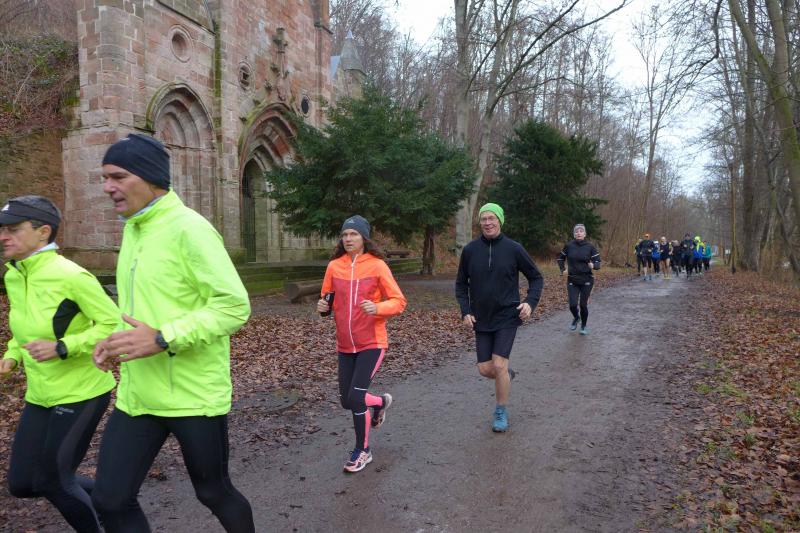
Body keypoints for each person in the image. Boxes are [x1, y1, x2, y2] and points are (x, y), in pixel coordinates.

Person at [91, 134, 255, 532]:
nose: (108, 187)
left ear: (150, 177)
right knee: (110, 498)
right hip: (139, 396)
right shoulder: (134, 230)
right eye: (105, 178)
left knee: (213, 492)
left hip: (192, 395)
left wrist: (163, 337)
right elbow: (144, 306)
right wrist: (114, 341)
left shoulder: (190, 229)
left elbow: (233, 306)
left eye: (118, 177)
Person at [1, 195, 118, 533]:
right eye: (2, 229)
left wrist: (63, 347)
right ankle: (112, 497)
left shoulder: (72, 275)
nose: (3, 236)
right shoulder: (14, 275)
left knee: (53, 480)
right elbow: (25, 327)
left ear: (43, 232)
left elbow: (112, 324)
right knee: (23, 483)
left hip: (82, 392)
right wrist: (12, 354)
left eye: (13, 229)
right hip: (41, 394)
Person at [317, 215, 406, 473]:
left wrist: (377, 308)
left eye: (353, 234)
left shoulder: (377, 266)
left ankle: (363, 451)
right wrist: (322, 307)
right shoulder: (334, 267)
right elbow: (327, 300)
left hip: (372, 342)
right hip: (345, 344)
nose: (348, 239)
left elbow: (398, 301)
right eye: (345, 234)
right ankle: (379, 403)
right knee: (347, 401)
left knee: (356, 398)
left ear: (364, 238)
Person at [455, 203, 543, 433]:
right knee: (486, 370)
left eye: (492, 218)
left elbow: (536, 278)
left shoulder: (514, 249)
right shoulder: (470, 250)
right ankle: (506, 375)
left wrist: (530, 303)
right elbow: (461, 284)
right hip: (481, 318)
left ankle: (500, 411)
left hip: (507, 316)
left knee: (498, 364)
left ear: (500, 220)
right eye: (484, 219)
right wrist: (465, 311)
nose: (488, 223)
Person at [557, 223, 601, 335]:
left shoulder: (590, 247)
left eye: (581, 231)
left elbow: (598, 262)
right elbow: (560, 258)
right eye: (576, 231)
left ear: (585, 234)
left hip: (587, 280)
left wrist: (593, 265)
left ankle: (584, 326)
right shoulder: (569, 246)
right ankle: (576, 318)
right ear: (574, 234)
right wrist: (563, 269)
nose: (579, 233)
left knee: (583, 305)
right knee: (572, 305)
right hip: (572, 280)